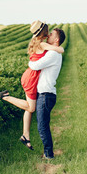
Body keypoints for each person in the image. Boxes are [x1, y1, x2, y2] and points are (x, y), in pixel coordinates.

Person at [0, 20, 64, 150]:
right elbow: (59, 48)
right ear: (43, 33)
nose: (49, 35)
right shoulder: (43, 44)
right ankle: (6, 97)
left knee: (29, 108)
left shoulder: (36, 41)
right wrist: (60, 48)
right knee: (31, 108)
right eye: (48, 32)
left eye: (51, 34)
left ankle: (26, 135)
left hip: (30, 76)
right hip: (31, 77)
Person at [28, 27, 65, 159]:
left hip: (45, 95)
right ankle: (48, 152)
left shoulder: (53, 54)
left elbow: (34, 65)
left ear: (56, 39)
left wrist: (30, 60)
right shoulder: (53, 52)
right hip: (46, 94)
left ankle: (49, 155)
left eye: (51, 34)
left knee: (42, 126)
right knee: (43, 125)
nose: (48, 35)